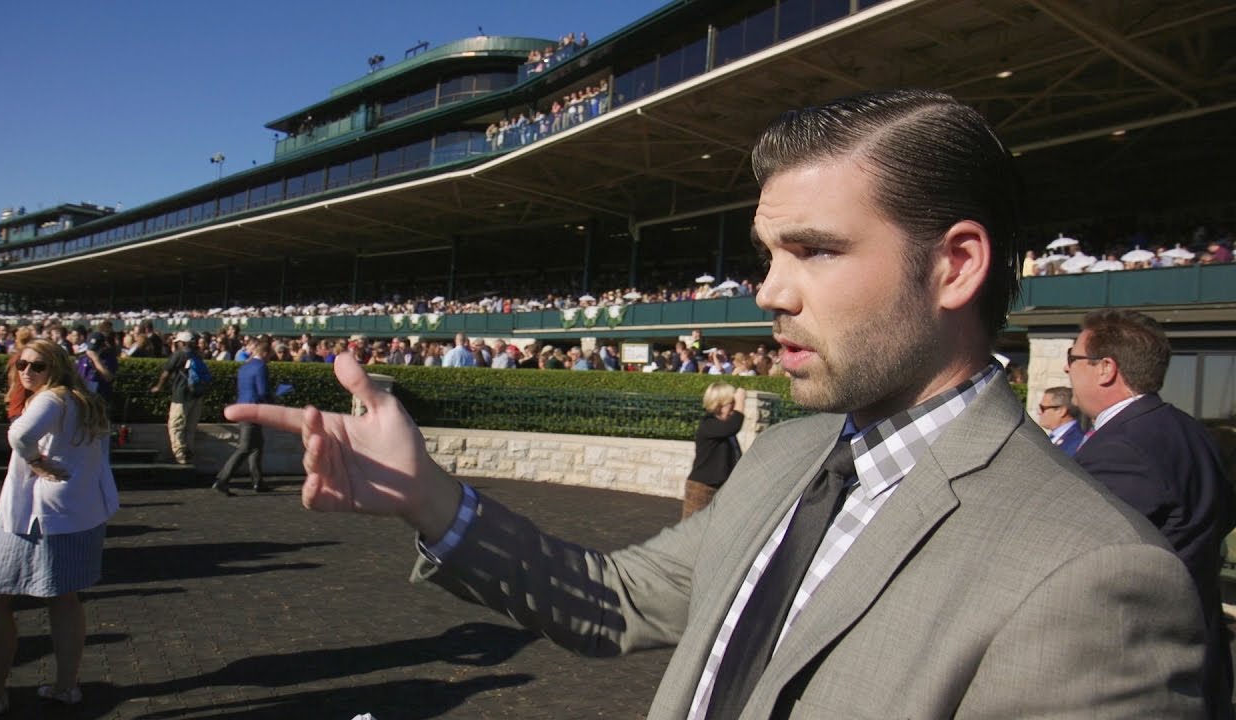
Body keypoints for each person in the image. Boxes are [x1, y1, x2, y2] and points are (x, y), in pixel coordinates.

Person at [229, 90, 1206, 717]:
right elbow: (613, 602)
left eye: (814, 251)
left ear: (953, 265)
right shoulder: (786, 456)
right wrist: (428, 498)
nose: (768, 291)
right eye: (765, 255)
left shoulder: (1094, 580)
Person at [1069, 308, 1235, 718]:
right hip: (1203, 651)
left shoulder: (1120, 448)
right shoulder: (1192, 430)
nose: (1068, 371)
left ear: (1105, 369)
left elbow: (1087, 561)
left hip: (1144, 668)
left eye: (1072, 359)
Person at [0, 339, 118, 719]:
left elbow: (18, 436)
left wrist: (35, 461)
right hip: (76, 514)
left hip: (37, 517)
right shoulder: (82, 400)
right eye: (21, 365)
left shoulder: (51, 400)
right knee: (63, 598)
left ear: (57, 368)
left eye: (37, 366)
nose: (27, 372)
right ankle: (66, 687)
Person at [214, 341, 273, 496]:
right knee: (245, 447)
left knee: (257, 446)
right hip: (253, 410)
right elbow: (262, 391)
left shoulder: (245, 366)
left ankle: (258, 481)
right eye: (270, 355)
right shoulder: (261, 367)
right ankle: (222, 479)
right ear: (265, 353)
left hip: (243, 407)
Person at [682, 383, 745, 519]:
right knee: (692, 533)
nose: (734, 407)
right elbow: (733, 426)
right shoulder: (708, 424)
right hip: (702, 488)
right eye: (731, 403)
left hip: (721, 488)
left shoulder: (724, 429)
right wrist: (741, 403)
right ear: (718, 404)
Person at [149, 331, 203, 465]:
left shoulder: (179, 355)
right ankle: (190, 453)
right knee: (190, 427)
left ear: (182, 342)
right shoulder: (197, 355)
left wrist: (158, 386)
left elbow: (166, 373)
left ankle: (180, 456)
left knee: (176, 426)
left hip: (181, 395)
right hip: (196, 395)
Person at [1035, 385, 1083, 456]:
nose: (1039, 413)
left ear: (1061, 411)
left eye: (1043, 408)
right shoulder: (1054, 437)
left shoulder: (1077, 440)